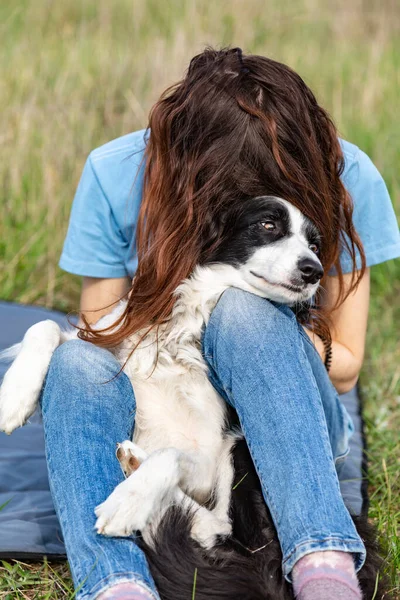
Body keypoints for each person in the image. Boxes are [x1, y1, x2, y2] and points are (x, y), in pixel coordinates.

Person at [40, 48, 400, 600]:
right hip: (164, 407)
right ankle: (117, 586)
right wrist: (178, 306)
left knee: (242, 314)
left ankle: (323, 563)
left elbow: (346, 367)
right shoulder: (116, 172)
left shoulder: (345, 173)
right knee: (73, 362)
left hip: (279, 424)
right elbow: (98, 337)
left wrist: (244, 304)